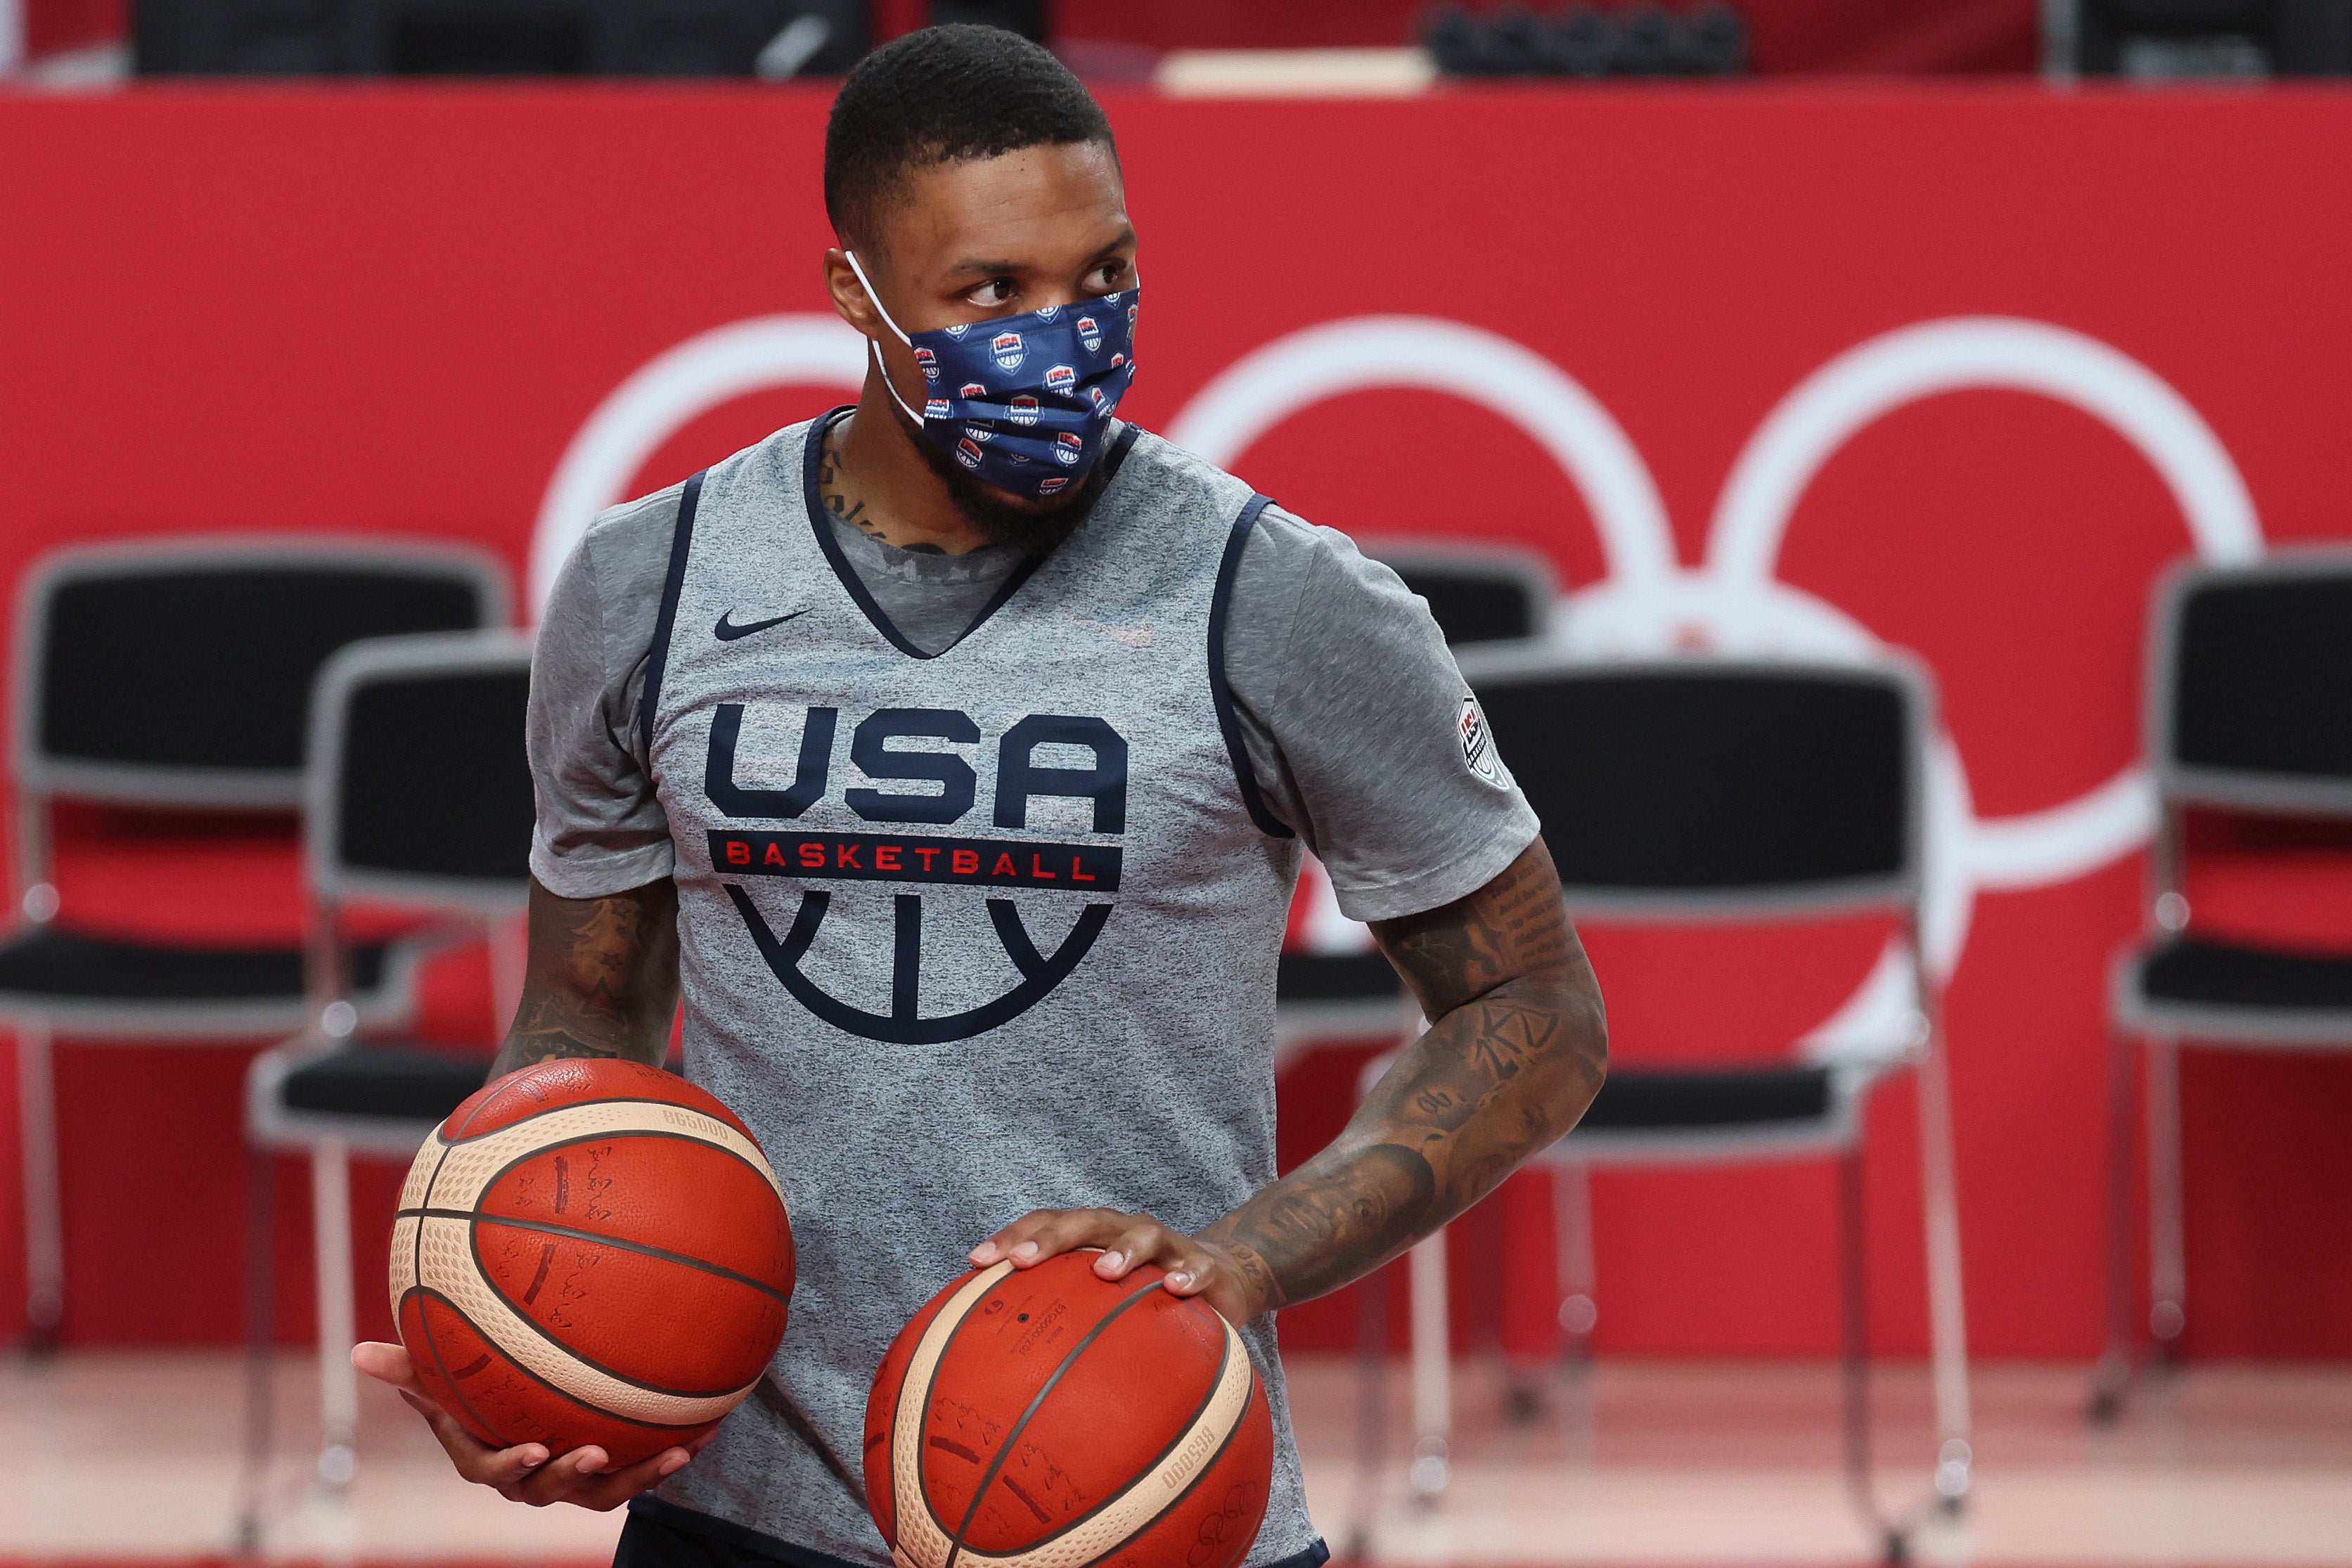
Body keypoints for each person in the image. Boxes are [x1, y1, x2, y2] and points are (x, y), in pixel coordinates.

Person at [356, 23, 1607, 1568]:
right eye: (992, 293)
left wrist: (1239, 1261)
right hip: (739, 1506)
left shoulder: (1280, 599)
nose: (1061, 335)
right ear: (854, 297)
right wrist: (527, 1322)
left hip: (1130, 1483)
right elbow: (586, 1019)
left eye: (1102, 276)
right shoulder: (649, 582)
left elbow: (1537, 1010)